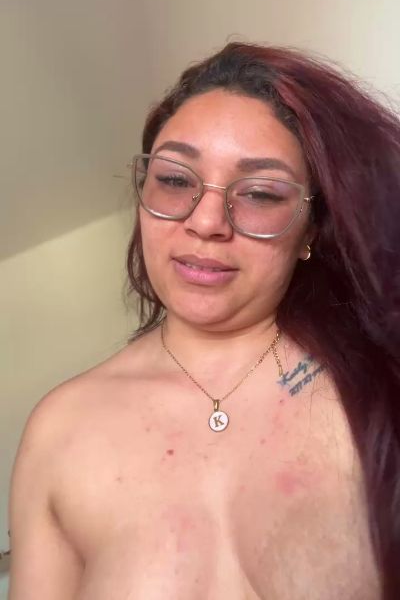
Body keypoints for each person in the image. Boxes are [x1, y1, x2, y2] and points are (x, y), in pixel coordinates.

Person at [8, 42, 400, 600]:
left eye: (260, 192)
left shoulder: (379, 381)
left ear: (310, 230)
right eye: (174, 180)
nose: (207, 220)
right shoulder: (58, 431)